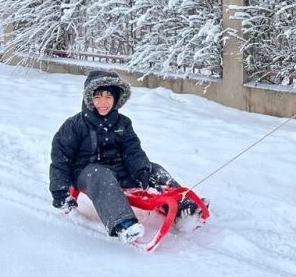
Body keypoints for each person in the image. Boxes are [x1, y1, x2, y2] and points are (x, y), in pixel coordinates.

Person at [49, 70, 199, 245]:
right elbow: (60, 159)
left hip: (117, 167)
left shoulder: (122, 123)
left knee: (154, 168)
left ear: (116, 99)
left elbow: (132, 151)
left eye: (108, 97)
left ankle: (185, 209)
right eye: (97, 97)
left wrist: (143, 173)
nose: (103, 102)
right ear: (89, 99)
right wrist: (60, 193)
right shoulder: (74, 126)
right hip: (86, 171)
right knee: (101, 175)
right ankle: (123, 223)